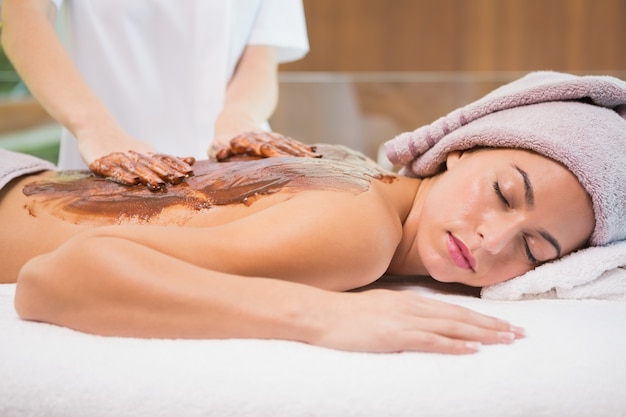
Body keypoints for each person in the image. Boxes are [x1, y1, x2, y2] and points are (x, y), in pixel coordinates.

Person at [3, 71, 626, 355]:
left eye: (535, 250)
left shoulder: (348, 164)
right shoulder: (357, 234)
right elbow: (57, 279)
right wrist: (321, 315)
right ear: (455, 152)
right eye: (504, 193)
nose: (495, 240)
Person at [0, 0, 309, 185]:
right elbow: (23, 18)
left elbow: (261, 57)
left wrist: (241, 119)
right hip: (114, 169)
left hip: (240, 166)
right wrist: (94, 127)